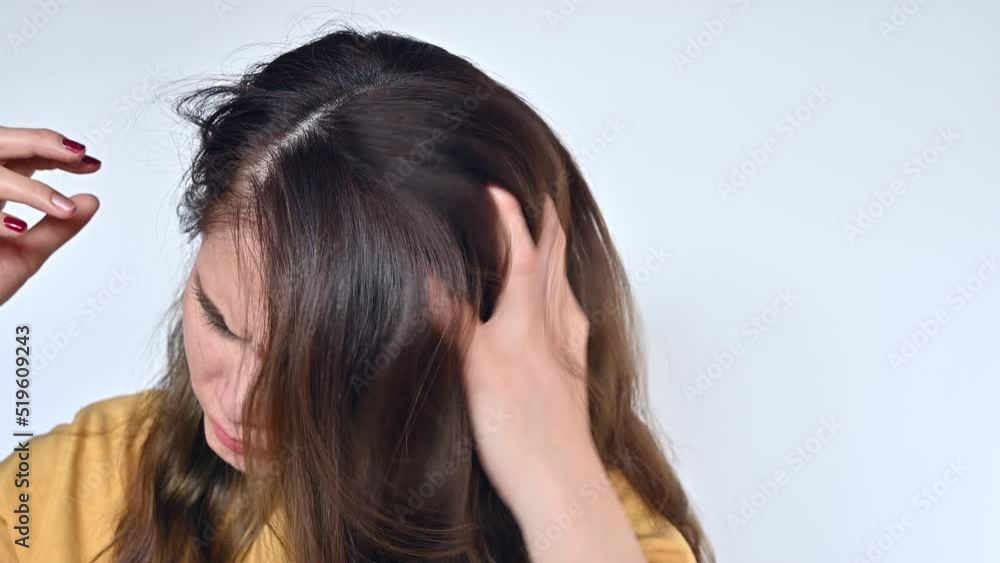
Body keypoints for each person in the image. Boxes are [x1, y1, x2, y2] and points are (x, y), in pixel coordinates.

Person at [0, 28, 711, 563]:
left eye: (317, 366)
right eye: (219, 320)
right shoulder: (95, 476)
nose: (241, 402)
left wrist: (549, 467)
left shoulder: (589, 526)